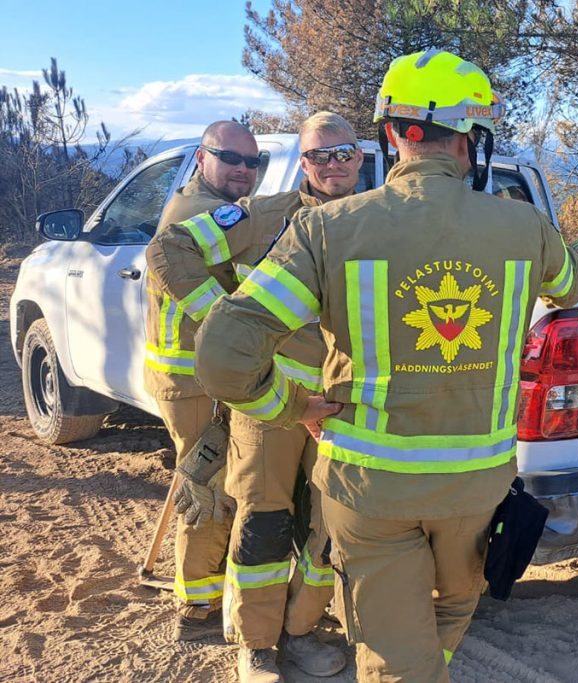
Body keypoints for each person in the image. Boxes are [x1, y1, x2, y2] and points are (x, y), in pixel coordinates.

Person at [193, 48, 578, 681]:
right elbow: (570, 286)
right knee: (454, 607)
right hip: (477, 487)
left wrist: (290, 407)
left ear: (395, 133)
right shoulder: (528, 227)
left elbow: (221, 355)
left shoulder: (328, 230)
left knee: (394, 653)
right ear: (472, 138)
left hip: (370, 491)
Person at [148, 111, 364, 681]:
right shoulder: (264, 216)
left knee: (327, 525)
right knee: (263, 521)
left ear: (361, 157)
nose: (332, 165)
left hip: (345, 407)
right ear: (303, 162)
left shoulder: (382, 220)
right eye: (318, 156)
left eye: (343, 153)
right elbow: (169, 250)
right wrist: (228, 328)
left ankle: (303, 629)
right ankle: (258, 644)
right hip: (272, 402)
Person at [142, 120, 259, 642]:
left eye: (252, 162)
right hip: (194, 383)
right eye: (230, 157)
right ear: (200, 157)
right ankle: (197, 610)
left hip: (199, 378)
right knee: (209, 493)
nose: (242, 169)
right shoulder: (202, 215)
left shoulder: (209, 208)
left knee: (206, 483)